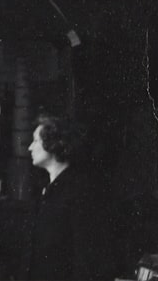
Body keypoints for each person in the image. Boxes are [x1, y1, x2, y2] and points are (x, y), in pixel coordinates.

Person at [24, 113, 115, 280]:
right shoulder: (49, 190)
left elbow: (85, 257)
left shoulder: (78, 191)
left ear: (54, 143)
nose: (30, 147)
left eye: (35, 140)